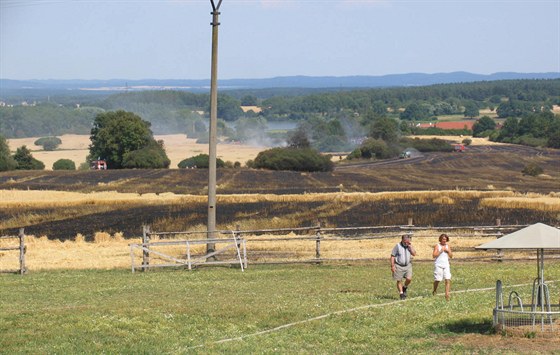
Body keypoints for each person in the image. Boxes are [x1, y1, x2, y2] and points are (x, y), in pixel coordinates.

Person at [390, 234, 416, 300]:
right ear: (402, 240)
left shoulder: (409, 246)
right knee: (399, 280)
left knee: (409, 279)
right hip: (398, 265)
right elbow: (392, 256)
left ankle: (405, 287)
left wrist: (411, 247)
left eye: (408, 241)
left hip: (408, 265)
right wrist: (392, 266)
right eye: (405, 241)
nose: (407, 242)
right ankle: (401, 293)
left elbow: (414, 254)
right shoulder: (397, 246)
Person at [432, 233, 453, 301]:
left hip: (446, 264)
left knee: (447, 279)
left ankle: (447, 294)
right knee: (438, 279)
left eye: (445, 239)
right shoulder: (437, 246)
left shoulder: (447, 246)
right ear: (440, 239)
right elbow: (434, 255)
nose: (444, 240)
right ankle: (434, 290)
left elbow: (451, 256)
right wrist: (440, 251)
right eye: (443, 239)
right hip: (438, 264)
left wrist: (448, 252)